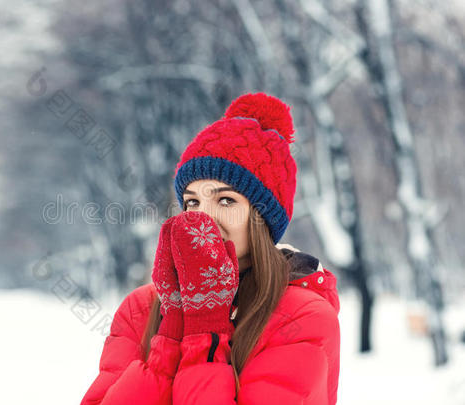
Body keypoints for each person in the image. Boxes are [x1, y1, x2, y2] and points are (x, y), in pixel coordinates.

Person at [80, 92, 340, 405]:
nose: (204, 217)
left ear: (262, 218)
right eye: (192, 202)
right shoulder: (141, 308)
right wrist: (171, 333)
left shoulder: (299, 318)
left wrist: (205, 334)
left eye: (226, 200)